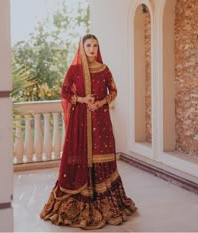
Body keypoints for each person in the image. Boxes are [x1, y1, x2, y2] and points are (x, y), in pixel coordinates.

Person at [40, 34, 137, 230]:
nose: (92, 49)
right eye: (88, 45)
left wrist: (101, 103)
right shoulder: (75, 69)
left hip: (101, 121)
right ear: (82, 48)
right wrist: (83, 100)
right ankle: (83, 195)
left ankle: (103, 199)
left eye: (95, 45)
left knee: (101, 156)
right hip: (81, 122)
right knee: (83, 156)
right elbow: (65, 91)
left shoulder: (104, 69)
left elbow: (114, 92)